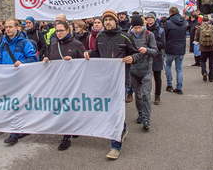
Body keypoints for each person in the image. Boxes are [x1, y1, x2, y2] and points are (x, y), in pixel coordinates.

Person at [84, 10, 141, 160]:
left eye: (110, 19)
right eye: (105, 20)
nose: (108, 22)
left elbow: (137, 54)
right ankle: (122, 129)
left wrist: (132, 58)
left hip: (121, 79)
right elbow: (97, 52)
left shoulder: (125, 36)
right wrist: (89, 53)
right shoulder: (100, 36)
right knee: (111, 110)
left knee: (116, 110)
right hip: (106, 79)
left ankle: (115, 146)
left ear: (116, 21)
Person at [0, 19, 38, 145]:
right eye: (6, 27)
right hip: (8, 79)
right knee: (13, 105)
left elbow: (34, 59)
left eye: (10, 27)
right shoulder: (3, 43)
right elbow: (0, 60)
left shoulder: (25, 43)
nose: (7, 29)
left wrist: (22, 63)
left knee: (19, 105)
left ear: (18, 28)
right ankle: (19, 129)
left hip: (22, 79)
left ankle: (15, 132)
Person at [43, 20, 85, 151]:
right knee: (63, 108)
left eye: (61, 30)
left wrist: (73, 62)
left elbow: (85, 63)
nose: (59, 33)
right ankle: (69, 131)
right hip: (58, 82)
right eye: (57, 31)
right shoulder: (54, 44)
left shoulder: (77, 44)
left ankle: (67, 136)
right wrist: (46, 59)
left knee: (71, 107)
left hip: (73, 82)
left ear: (68, 30)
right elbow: (50, 57)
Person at [128, 15, 158, 129]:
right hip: (133, 70)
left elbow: (155, 51)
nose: (137, 30)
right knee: (138, 96)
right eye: (135, 27)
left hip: (146, 70)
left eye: (139, 27)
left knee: (146, 95)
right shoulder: (129, 36)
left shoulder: (149, 35)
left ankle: (146, 119)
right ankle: (140, 114)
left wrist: (147, 50)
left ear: (142, 26)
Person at [164, 7, 187, 94]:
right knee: (179, 69)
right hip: (181, 48)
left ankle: (169, 84)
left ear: (170, 13)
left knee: (168, 66)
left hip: (170, 48)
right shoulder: (184, 22)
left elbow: (164, 36)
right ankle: (179, 88)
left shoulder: (168, 23)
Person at [145, 13, 165, 105]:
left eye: (151, 18)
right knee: (144, 78)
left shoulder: (160, 30)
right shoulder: (143, 29)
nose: (149, 20)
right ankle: (145, 96)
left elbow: (163, 44)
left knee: (157, 77)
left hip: (157, 56)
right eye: (147, 18)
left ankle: (157, 96)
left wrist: (152, 41)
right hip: (145, 56)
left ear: (154, 19)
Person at [195, 16, 213, 81]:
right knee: (212, 62)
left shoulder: (199, 28)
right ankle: (211, 77)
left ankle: (204, 72)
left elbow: (196, 38)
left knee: (203, 61)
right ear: (209, 20)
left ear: (202, 21)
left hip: (203, 48)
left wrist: (200, 41)